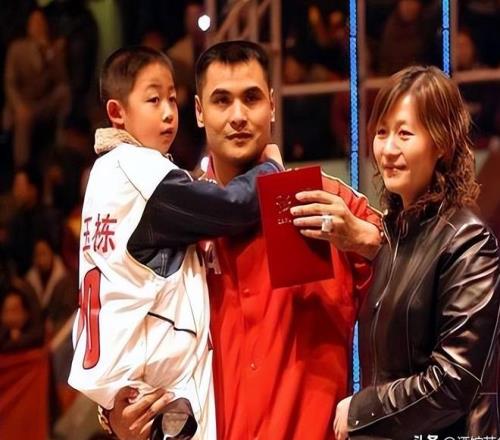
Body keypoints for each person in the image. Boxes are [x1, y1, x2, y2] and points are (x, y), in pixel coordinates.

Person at [107, 40, 382, 440]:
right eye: (222, 100)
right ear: (199, 111)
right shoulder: (175, 223)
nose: (238, 116)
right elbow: (122, 324)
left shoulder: (329, 203)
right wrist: (114, 414)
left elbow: (414, 281)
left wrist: (364, 239)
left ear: (272, 105)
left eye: (251, 98)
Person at [67, 46, 281, 440]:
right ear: (117, 112)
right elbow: (232, 206)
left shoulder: (103, 176)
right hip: (163, 381)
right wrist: (271, 169)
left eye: (171, 98)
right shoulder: (138, 170)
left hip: (127, 374)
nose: (168, 112)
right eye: (153, 100)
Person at [327, 65, 500, 439]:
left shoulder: (468, 240)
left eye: (405, 133)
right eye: (382, 132)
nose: (389, 149)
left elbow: (455, 380)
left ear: (442, 144)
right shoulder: (394, 235)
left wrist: (361, 409)